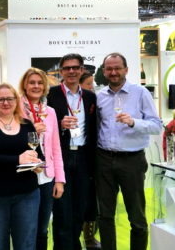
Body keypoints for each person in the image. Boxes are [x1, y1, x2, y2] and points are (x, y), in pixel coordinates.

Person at [95, 53, 162, 250]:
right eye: (109, 69)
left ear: (126, 69)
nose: (113, 72)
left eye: (117, 68)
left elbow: (156, 126)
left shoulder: (140, 93)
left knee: (137, 216)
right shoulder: (99, 96)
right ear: (104, 71)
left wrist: (133, 122)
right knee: (105, 215)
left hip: (132, 160)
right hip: (104, 159)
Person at [0, 83, 42, 250]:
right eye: (1, 99)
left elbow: (38, 153)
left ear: (16, 100)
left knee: (26, 245)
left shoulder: (27, 124)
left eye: (9, 99)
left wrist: (38, 163)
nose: (5, 103)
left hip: (27, 194)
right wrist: (17, 159)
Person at [47, 54, 97, 250]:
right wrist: (59, 125)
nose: (71, 71)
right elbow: (43, 126)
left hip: (83, 158)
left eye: (75, 67)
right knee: (62, 211)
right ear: (61, 72)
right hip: (62, 157)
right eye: (67, 68)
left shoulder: (90, 97)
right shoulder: (51, 95)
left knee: (80, 209)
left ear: (82, 70)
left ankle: (73, 245)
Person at [19, 68, 65, 250]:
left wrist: (59, 180)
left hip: (46, 177)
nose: (36, 86)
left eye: (39, 82)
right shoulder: (16, 109)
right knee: (25, 229)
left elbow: (56, 148)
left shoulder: (51, 112)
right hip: (25, 176)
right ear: (24, 85)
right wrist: (30, 132)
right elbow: (10, 143)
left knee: (42, 230)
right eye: (32, 82)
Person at [78, 72, 100, 249]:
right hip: (74, 158)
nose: (92, 88)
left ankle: (90, 237)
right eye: (89, 84)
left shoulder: (93, 100)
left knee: (92, 200)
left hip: (93, 157)